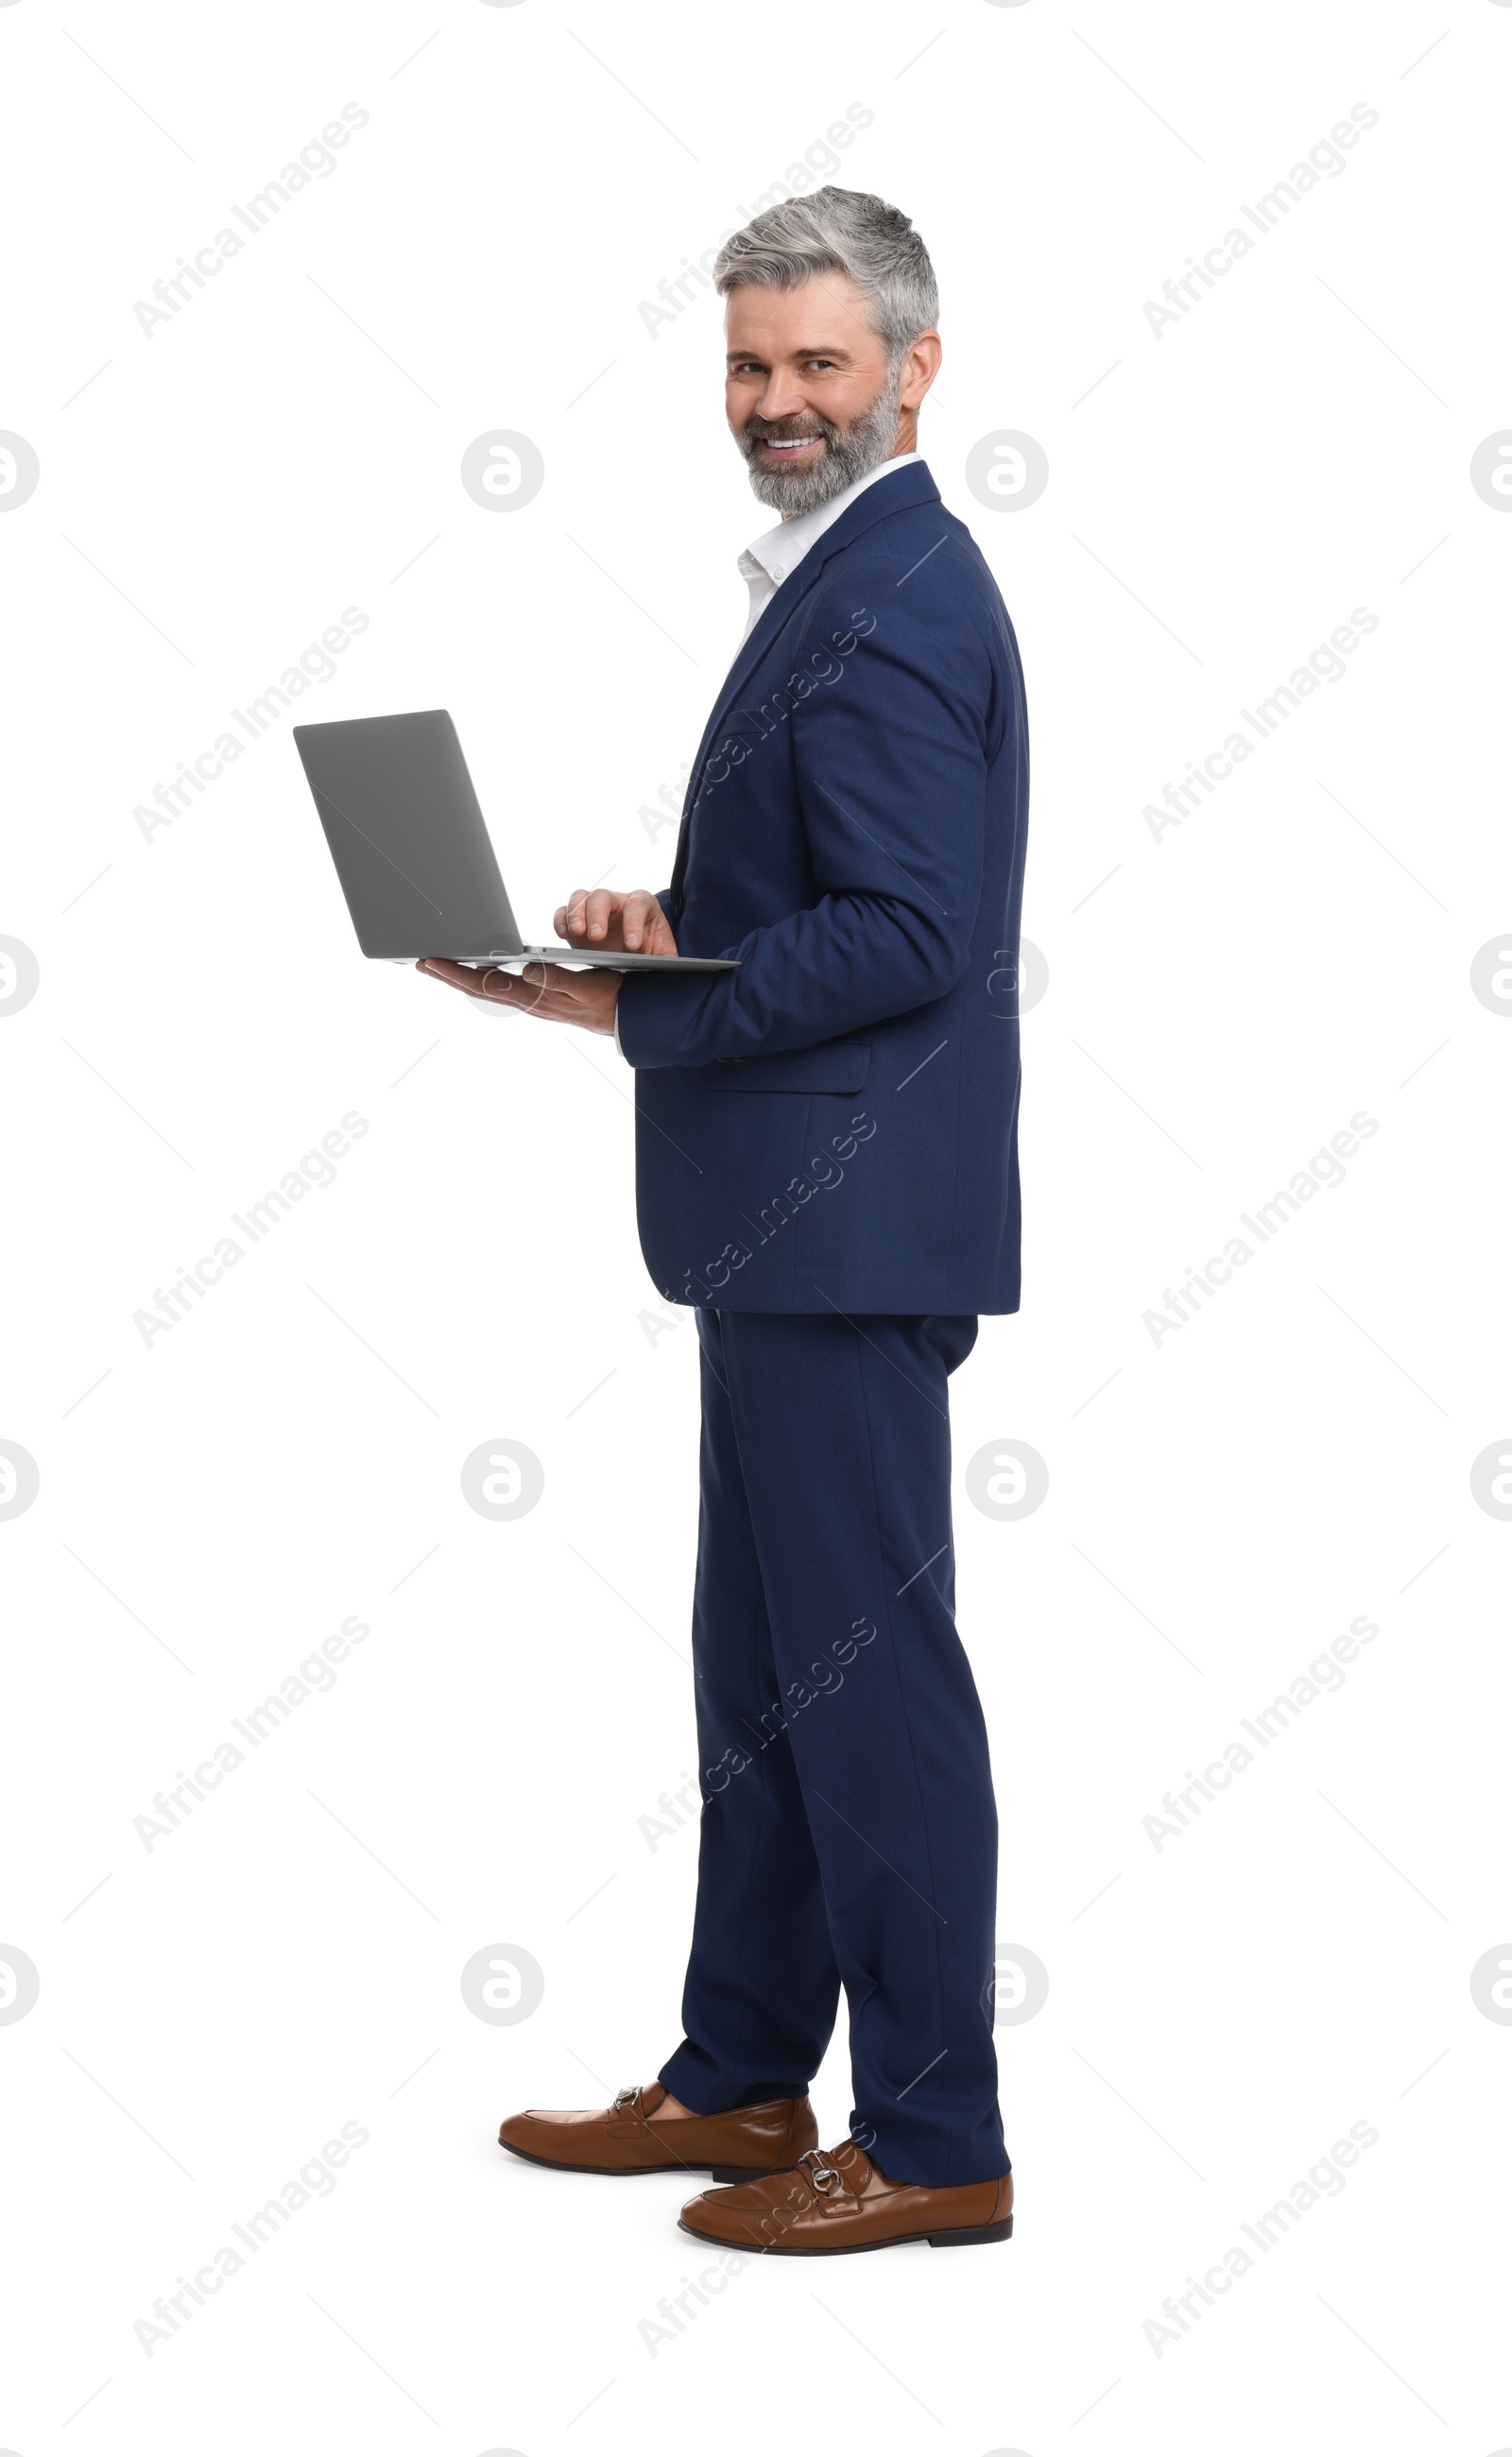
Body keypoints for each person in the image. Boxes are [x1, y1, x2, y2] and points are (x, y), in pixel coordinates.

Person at [419, 186, 1029, 2256]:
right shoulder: (833, 580)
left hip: (846, 1234)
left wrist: (627, 1008)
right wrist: (670, 940)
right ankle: (744, 2077)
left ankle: (935, 2137)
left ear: (914, 371)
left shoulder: (889, 593)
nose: (775, 401)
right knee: (760, 1678)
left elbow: (915, 932)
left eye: (817, 364)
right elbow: (826, 914)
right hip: (785, 1224)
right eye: (750, 365)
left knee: (864, 1689)